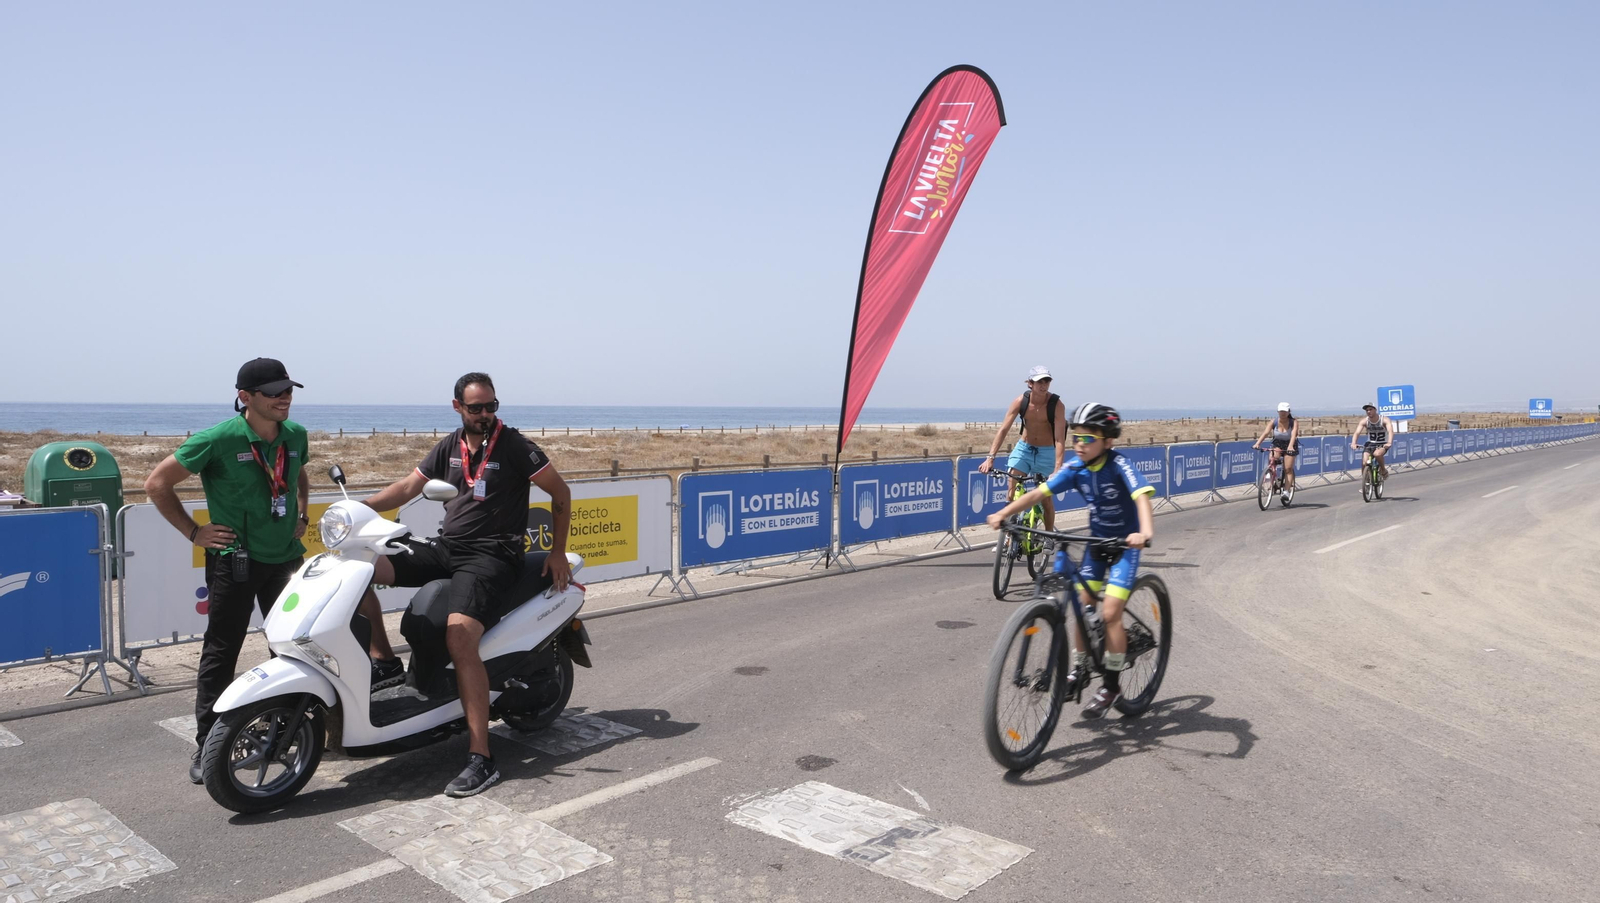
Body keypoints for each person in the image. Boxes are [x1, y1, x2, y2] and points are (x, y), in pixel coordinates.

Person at [143, 359, 384, 783]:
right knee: (222, 652)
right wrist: (194, 532)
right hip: (235, 561)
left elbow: (299, 474)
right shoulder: (217, 439)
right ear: (245, 397)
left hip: (286, 560)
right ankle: (207, 746)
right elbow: (157, 484)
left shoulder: (295, 435)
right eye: (274, 391)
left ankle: (289, 732)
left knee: (295, 648)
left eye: (288, 389)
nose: (284, 397)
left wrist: (303, 513)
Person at [356, 372, 572, 798]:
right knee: (362, 568)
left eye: (492, 406)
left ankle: (481, 757)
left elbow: (560, 493)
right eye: (477, 408)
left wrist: (557, 551)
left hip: (493, 556)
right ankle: (383, 661)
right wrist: (357, 508)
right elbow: (406, 487)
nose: (486, 415)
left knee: (459, 637)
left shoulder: (515, 446)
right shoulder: (449, 445)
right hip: (449, 546)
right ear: (458, 406)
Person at [986, 403, 1155, 719]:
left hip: (1124, 547)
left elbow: (1141, 496)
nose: (1080, 444)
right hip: (1095, 545)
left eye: (1088, 438)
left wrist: (1144, 531)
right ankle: (1079, 669)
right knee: (1082, 604)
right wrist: (1004, 513)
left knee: (1110, 612)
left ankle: (1112, 684)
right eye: (1076, 437)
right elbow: (1038, 494)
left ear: (1107, 441)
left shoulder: (1119, 465)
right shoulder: (1077, 468)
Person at [978, 366, 1067, 530]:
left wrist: (1057, 468)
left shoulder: (1057, 405)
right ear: (1030, 383)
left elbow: (1060, 438)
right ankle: (1007, 538)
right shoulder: (1021, 401)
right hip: (1024, 449)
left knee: (1045, 497)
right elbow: (1003, 429)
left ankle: (1049, 537)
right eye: (1039, 381)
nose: (1044, 384)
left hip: (1047, 452)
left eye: (1047, 381)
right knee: (1011, 490)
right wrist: (990, 458)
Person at [1252, 402, 1300, 498]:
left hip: (1290, 443)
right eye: (1281, 411)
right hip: (1278, 443)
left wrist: (1290, 446)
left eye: (1285, 411)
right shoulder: (1274, 422)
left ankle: (1286, 491)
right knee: (1273, 458)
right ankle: (1272, 474)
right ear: (1278, 412)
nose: (1283, 413)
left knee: (1288, 468)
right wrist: (1258, 443)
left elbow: (1294, 435)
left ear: (1288, 412)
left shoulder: (1293, 422)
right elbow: (1265, 433)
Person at [1350, 404, 1395, 481]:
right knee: (1364, 462)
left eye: (1370, 409)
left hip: (1382, 443)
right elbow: (1357, 432)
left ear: (1375, 410)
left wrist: (1389, 442)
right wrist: (1353, 443)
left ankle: (1383, 470)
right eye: (1367, 410)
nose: (1368, 411)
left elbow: (1390, 431)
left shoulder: (1384, 420)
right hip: (1370, 443)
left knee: (1377, 454)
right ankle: (1366, 483)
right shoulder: (1364, 421)